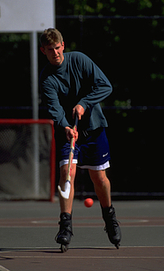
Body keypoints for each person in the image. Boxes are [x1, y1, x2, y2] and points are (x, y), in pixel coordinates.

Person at [39, 28, 121, 249]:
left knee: (99, 178)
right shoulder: (47, 77)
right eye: (50, 49)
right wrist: (65, 125)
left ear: (63, 45)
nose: (55, 52)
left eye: (57, 47)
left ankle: (109, 218)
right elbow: (54, 108)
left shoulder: (80, 60)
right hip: (69, 134)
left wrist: (83, 103)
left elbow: (105, 86)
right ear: (43, 51)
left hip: (94, 129)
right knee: (67, 173)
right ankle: (65, 227)